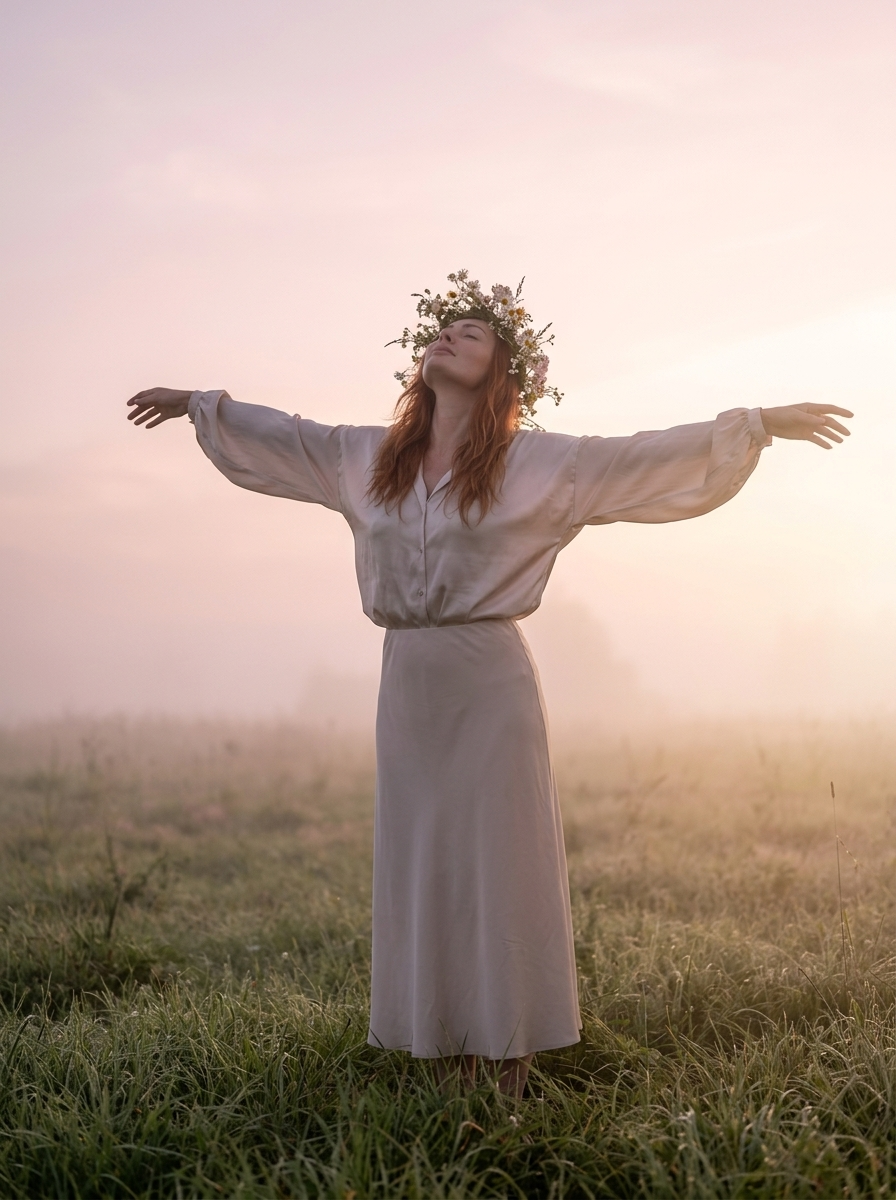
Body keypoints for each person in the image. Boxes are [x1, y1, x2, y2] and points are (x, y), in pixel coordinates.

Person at [127, 269, 852, 1098]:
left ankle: (507, 1075)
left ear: (503, 370)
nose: (449, 334)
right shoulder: (364, 456)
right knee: (428, 870)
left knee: (500, 871)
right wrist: (201, 404)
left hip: (490, 683)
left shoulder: (541, 463)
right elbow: (286, 435)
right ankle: (446, 1067)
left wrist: (757, 423)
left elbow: (643, 454)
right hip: (409, 685)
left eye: (471, 333)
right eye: (444, 329)